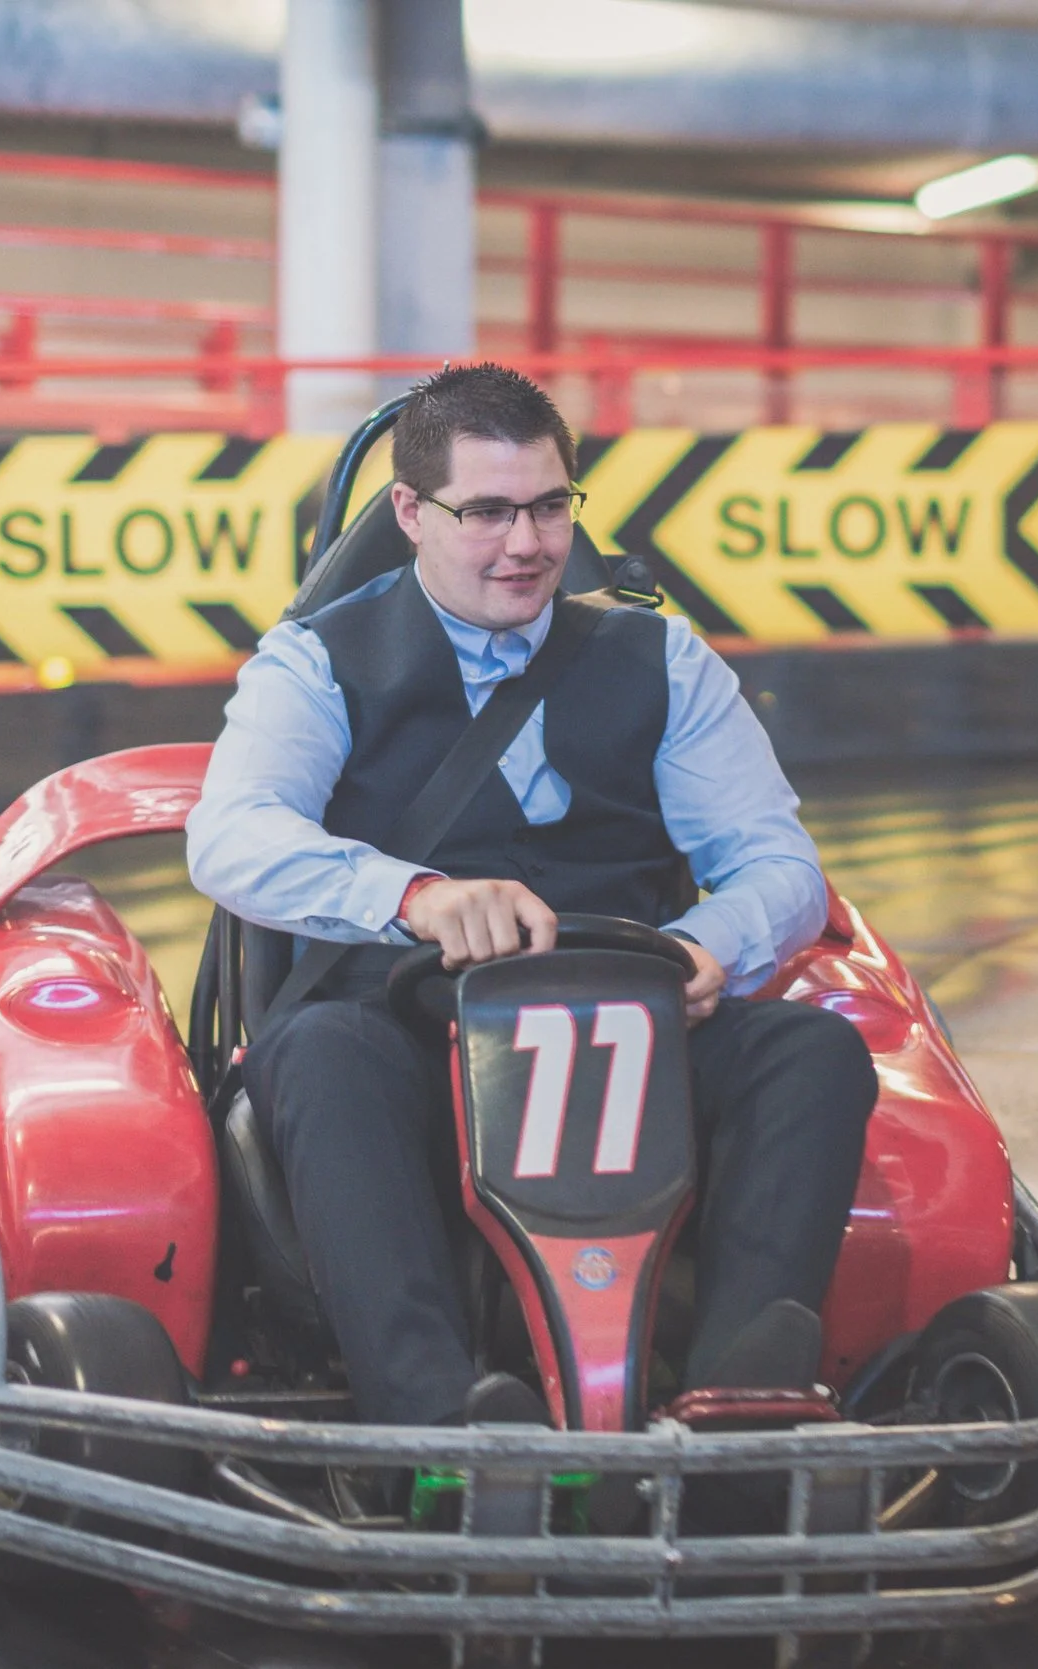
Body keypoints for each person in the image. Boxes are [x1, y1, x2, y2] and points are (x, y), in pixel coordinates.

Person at [186, 363, 877, 1430]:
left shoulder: (661, 658)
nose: (527, 543)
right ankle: (439, 1420)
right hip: (406, 1033)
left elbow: (776, 862)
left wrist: (703, 947)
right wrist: (411, 895)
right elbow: (230, 838)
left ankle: (745, 1386)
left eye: (550, 506)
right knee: (320, 1054)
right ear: (411, 513)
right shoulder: (317, 662)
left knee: (811, 1052)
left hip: (630, 1026)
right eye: (488, 512)